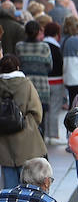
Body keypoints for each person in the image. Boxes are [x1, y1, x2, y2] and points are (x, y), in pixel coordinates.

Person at [0, 55, 44, 189]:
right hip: (26, 141)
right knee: (29, 185)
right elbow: (37, 113)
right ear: (18, 67)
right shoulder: (26, 84)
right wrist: (28, 125)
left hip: (3, 142)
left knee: (9, 186)